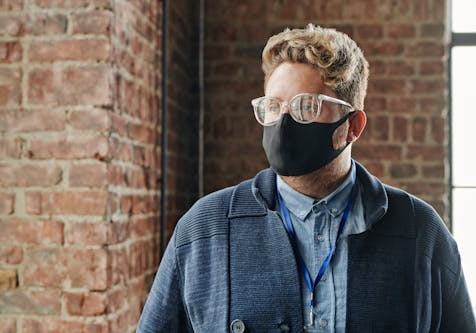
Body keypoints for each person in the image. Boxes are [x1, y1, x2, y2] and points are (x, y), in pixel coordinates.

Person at [136, 24, 476, 333]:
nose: (283, 121)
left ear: (352, 126)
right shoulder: (203, 229)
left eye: (306, 106)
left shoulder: (421, 233)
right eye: (273, 106)